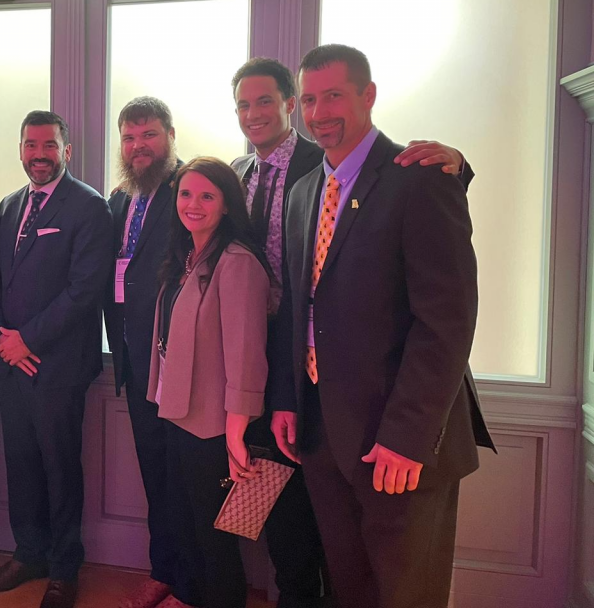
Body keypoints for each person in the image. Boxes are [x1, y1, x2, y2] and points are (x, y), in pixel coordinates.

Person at [229, 56, 474, 608]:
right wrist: (290, 401)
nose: (320, 113)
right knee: (349, 585)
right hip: (320, 434)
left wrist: (407, 438)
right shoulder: (304, 193)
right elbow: (298, 307)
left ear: (369, 95)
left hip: (398, 439)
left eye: (334, 96)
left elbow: (447, 322)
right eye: (311, 100)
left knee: (407, 592)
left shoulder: (420, 179)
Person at [0, 110, 113, 608]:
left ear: (67, 151)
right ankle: (28, 552)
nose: (40, 154)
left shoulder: (89, 207)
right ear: (20, 149)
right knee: (21, 464)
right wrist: (2, 340)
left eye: (50, 146)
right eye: (31, 145)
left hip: (57, 366)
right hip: (11, 365)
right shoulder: (10, 206)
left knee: (60, 468)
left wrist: (28, 341)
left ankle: (63, 569)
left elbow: (84, 292)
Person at [147, 156, 271, 608]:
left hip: (216, 426)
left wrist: (236, 432)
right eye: (185, 193)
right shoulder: (187, 258)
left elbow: (246, 355)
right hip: (178, 413)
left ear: (226, 205)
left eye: (206, 195)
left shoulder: (236, 263)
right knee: (188, 525)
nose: (192, 204)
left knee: (216, 538)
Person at [103, 97, 193, 608]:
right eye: (130, 137)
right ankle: (165, 570)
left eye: (150, 135)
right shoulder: (122, 200)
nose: (139, 147)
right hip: (134, 359)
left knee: (186, 477)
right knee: (155, 471)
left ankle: (192, 582)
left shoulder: (191, 189)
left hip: (179, 360)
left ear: (170, 135)